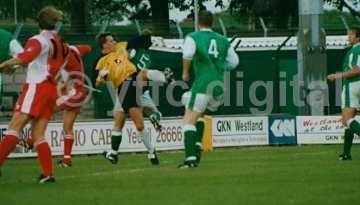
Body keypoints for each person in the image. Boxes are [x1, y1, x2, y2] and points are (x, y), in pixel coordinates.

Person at [0, 6, 67, 183]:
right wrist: (14, 65)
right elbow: (37, 61)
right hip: (50, 89)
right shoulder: (58, 41)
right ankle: (48, 173)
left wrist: (4, 64)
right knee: (38, 134)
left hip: (37, 86)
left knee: (15, 126)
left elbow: (26, 58)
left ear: (39, 21)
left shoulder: (38, 39)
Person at [95, 31, 172, 165]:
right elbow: (97, 83)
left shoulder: (121, 47)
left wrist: (146, 35)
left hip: (133, 82)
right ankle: (151, 153)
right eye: (111, 41)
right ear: (104, 45)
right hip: (124, 89)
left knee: (142, 75)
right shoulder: (102, 62)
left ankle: (115, 153)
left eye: (114, 40)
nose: (114, 42)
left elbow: (139, 40)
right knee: (136, 124)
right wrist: (101, 77)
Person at [179, 10, 239, 168]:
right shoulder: (223, 40)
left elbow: (188, 55)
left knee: (188, 121)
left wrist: (185, 72)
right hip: (219, 85)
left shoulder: (193, 37)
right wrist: (218, 66)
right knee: (200, 112)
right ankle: (198, 144)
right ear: (212, 22)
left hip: (203, 83)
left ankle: (190, 159)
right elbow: (234, 62)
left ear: (198, 22)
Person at [327, 26, 360, 161]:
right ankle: (346, 154)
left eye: (350, 35)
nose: (348, 37)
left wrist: (337, 76)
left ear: (357, 37)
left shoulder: (355, 51)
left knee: (346, 120)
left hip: (352, 85)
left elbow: (356, 70)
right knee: (349, 121)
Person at [55, 44, 92, 167]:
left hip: (74, 93)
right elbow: (88, 48)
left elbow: (62, 82)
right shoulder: (74, 49)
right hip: (79, 93)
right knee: (67, 127)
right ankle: (67, 159)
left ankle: (29, 141)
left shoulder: (63, 60)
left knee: (47, 110)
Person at [0, 29, 24, 107]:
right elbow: (21, 55)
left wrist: (8, 65)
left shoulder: (6, 36)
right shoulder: (6, 36)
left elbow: (21, 56)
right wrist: (10, 66)